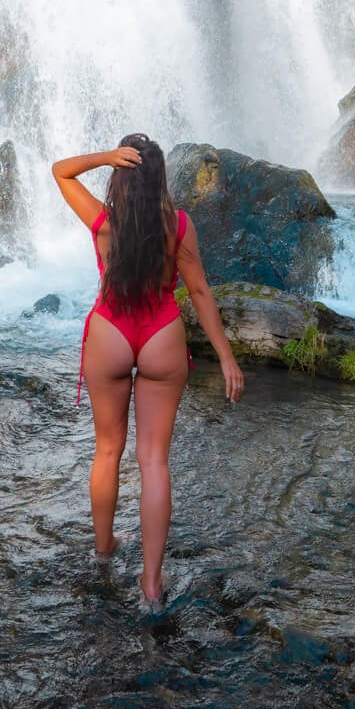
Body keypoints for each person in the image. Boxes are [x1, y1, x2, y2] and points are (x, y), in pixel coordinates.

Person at [51, 136, 244, 607]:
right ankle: (152, 582)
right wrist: (225, 355)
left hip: (110, 332)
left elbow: (60, 170)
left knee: (107, 449)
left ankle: (103, 551)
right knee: (154, 460)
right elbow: (199, 292)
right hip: (161, 334)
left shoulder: (102, 221)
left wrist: (103, 158)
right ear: (161, 178)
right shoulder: (178, 225)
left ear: (120, 173)